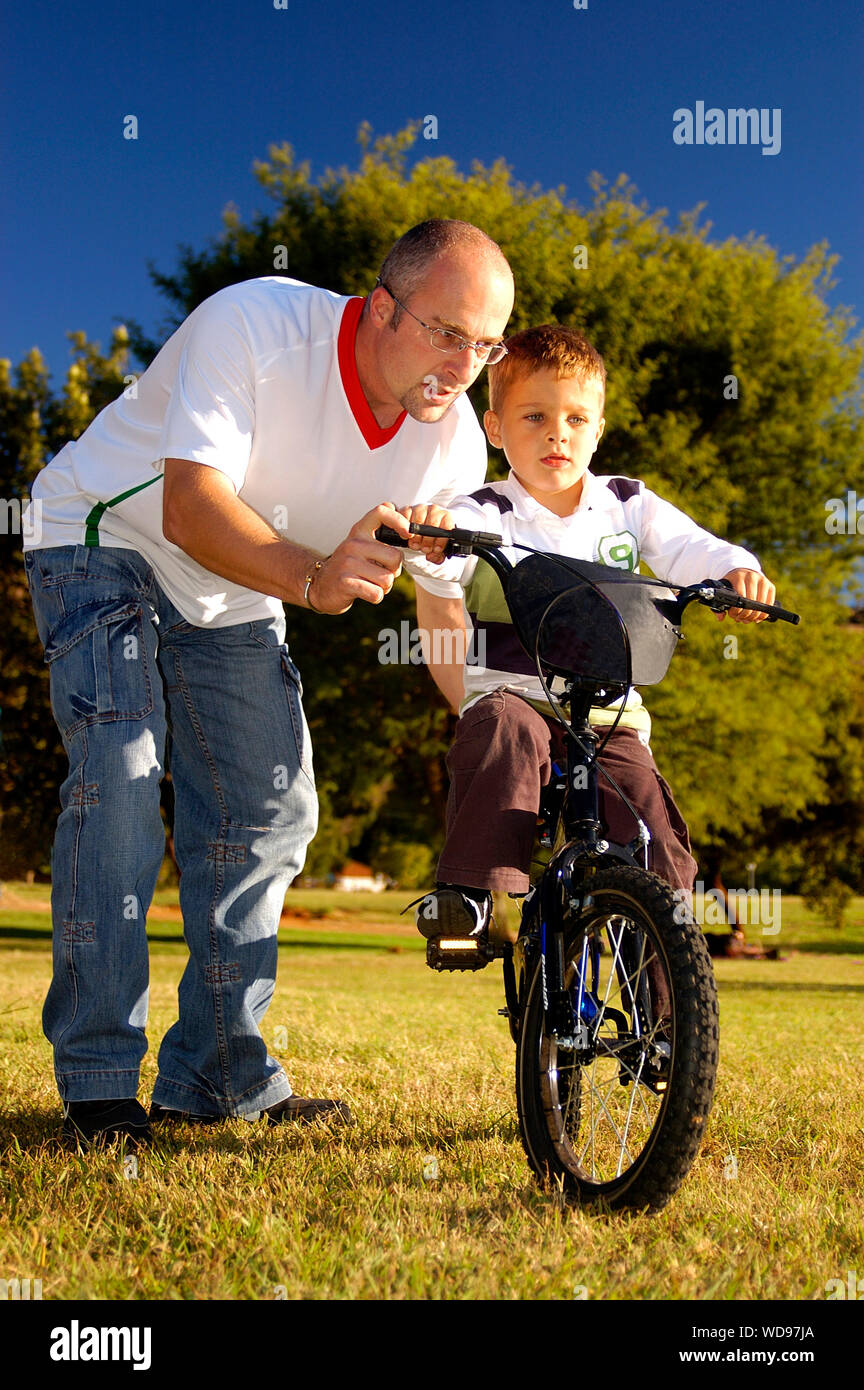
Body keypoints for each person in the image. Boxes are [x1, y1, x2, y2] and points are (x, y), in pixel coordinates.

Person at [22, 219, 515, 1145]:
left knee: (270, 811)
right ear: (380, 310)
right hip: (100, 539)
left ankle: (216, 1075)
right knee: (123, 776)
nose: (464, 366)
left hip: (233, 590)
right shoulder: (254, 323)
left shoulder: (452, 455)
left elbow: (443, 614)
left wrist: (500, 731)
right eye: (446, 332)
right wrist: (313, 579)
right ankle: (95, 1081)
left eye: (485, 346)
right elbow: (189, 505)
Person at [397, 324, 776, 938]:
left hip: (608, 718)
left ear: (598, 431)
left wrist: (737, 572)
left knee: (648, 821)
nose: (557, 433)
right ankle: (472, 897)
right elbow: (447, 547)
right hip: (515, 698)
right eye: (535, 415)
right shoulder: (486, 510)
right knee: (501, 731)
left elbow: (691, 548)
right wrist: (435, 535)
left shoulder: (629, 504)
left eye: (577, 418)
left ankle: (667, 1005)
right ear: (495, 429)